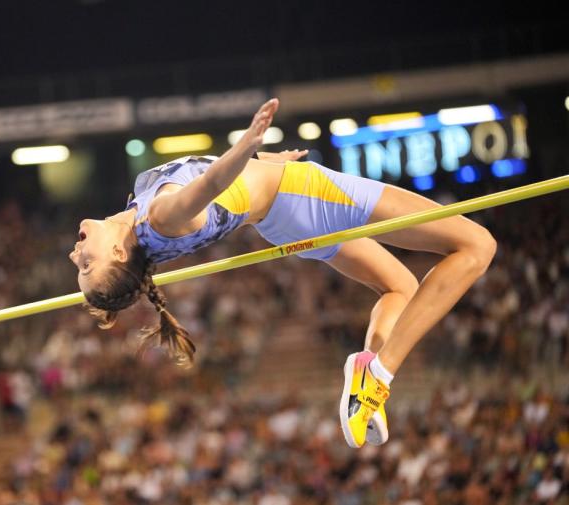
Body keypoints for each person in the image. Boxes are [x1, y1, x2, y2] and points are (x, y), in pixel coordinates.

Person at [68, 98, 496, 448]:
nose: (75, 255)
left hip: (283, 217)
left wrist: (261, 162)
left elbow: (214, 182)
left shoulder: (140, 218)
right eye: (88, 264)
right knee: (477, 245)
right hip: (303, 195)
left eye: (79, 265)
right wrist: (247, 146)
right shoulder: (160, 217)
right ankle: (379, 375)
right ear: (120, 252)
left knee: (399, 286)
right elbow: (210, 184)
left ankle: (367, 368)